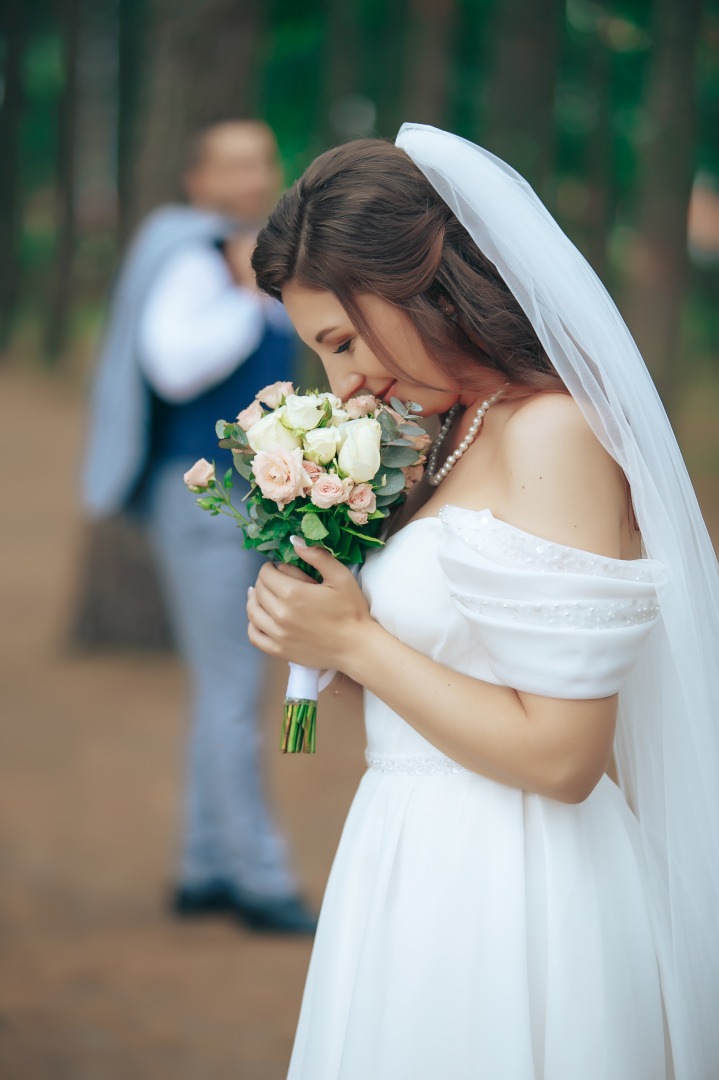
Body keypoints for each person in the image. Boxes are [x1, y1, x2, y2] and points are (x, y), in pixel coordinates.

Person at [247, 125, 719, 1076]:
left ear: (416, 281)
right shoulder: (452, 434)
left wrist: (359, 642)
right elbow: (439, 697)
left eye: (342, 340)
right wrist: (324, 636)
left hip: (514, 880)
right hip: (407, 855)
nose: (342, 383)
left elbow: (561, 755)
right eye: (319, 353)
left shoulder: (552, 432)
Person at [82, 119, 316, 934]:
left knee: (227, 690)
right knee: (232, 691)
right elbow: (170, 364)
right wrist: (245, 294)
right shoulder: (190, 256)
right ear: (198, 177)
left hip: (249, 503)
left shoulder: (250, 255)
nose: (253, 175)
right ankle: (259, 876)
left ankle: (204, 865)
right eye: (235, 162)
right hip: (205, 500)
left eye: (263, 159)